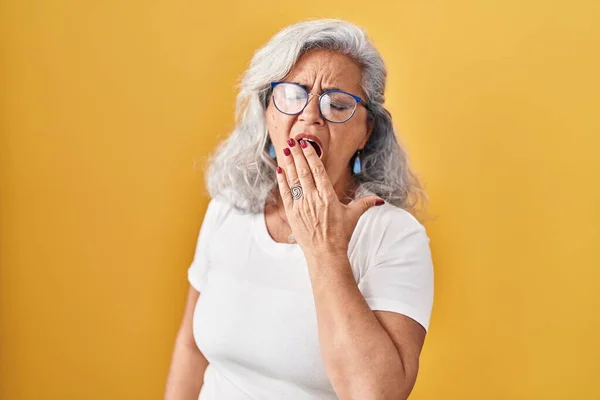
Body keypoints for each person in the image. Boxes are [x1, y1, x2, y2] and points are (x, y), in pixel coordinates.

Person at [164, 18, 434, 400]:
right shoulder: (228, 209)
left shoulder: (394, 236)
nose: (310, 115)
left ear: (365, 132)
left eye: (337, 104)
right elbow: (191, 348)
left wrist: (325, 248)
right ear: (267, 112)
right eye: (292, 95)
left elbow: (375, 394)